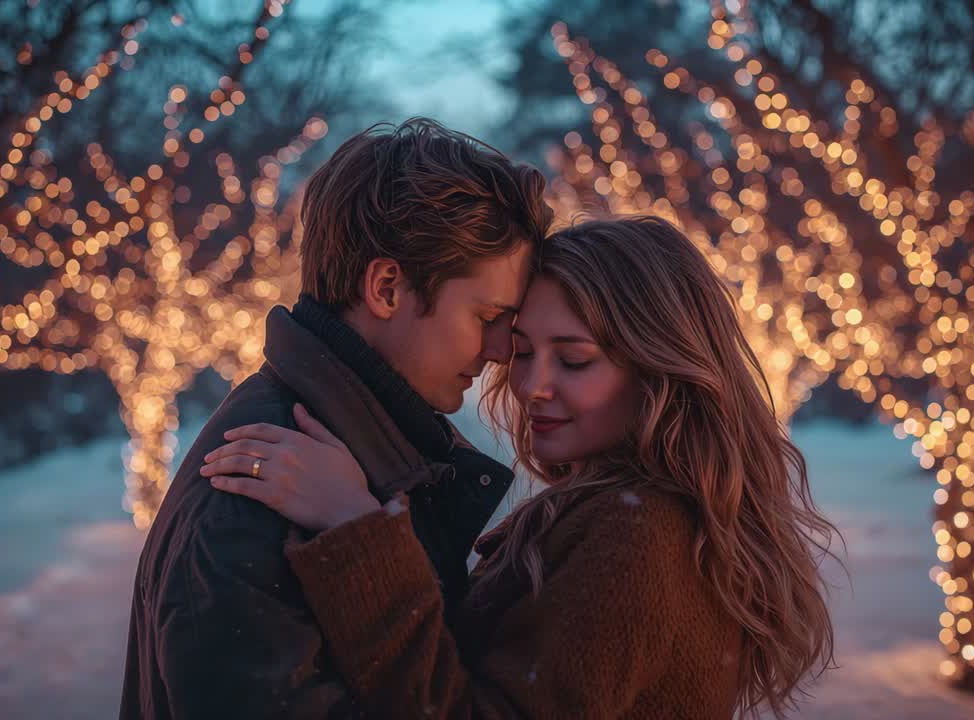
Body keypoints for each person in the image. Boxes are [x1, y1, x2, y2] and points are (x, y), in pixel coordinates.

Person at [206, 216, 840, 718]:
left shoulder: (640, 536)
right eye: (524, 351)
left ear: (659, 372)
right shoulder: (618, 511)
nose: (532, 385)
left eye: (575, 359)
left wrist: (355, 527)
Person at [119, 117, 553, 719]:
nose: (502, 349)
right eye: (485, 317)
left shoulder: (359, 454)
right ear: (386, 287)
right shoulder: (250, 505)